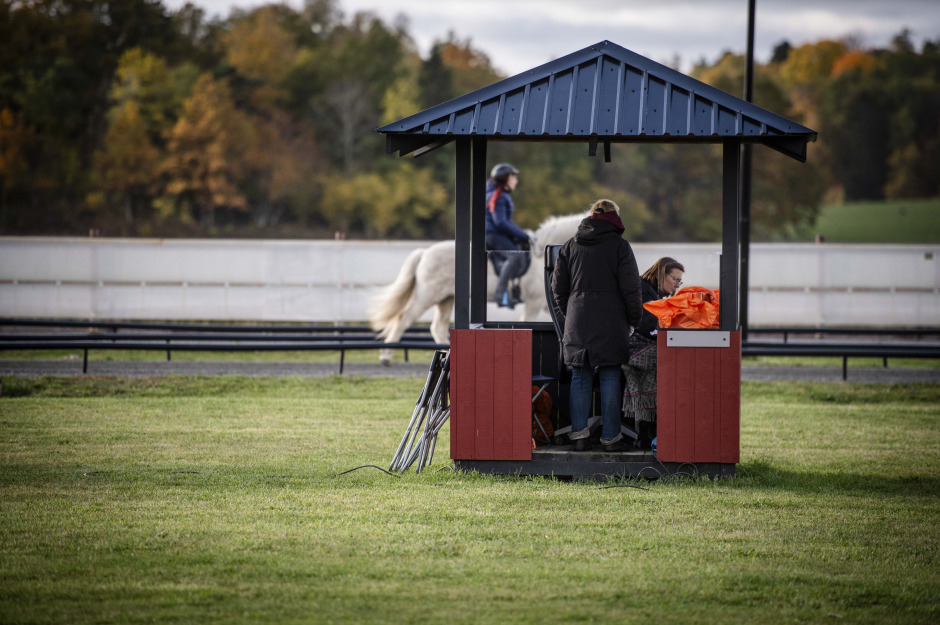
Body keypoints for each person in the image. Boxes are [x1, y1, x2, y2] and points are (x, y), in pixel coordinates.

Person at [551, 199, 643, 452]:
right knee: (610, 375)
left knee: (580, 375)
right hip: (611, 320)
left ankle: (579, 436)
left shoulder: (570, 245)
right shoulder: (620, 246)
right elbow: (631, 289)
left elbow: (557, 289)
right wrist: (634, 319)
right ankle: (611, 438)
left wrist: (570, 314)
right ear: (615, 217)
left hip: (578, 319)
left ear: (591, 216)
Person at [622, 257, 685, 449]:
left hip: (636, 344)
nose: (677, 285)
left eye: (679, 281)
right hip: (631, 347)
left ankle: (649, 430)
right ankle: (647, 431)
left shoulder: (654, 294)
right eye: (674, 279)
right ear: (661, 274)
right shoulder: (643, 292)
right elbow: (647, 326)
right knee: (662, 363)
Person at [485, 162, 530, 308]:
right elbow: (501, 223)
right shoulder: (498, 197)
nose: (515, 181)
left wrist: (521, 233)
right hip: (492, 234)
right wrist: (522, 235)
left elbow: (506, 222)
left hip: (494, 233)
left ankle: (509, 294)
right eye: (513, 177)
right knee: (515, 255)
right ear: (505, 180)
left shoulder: (499, 195)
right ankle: (500, 294)